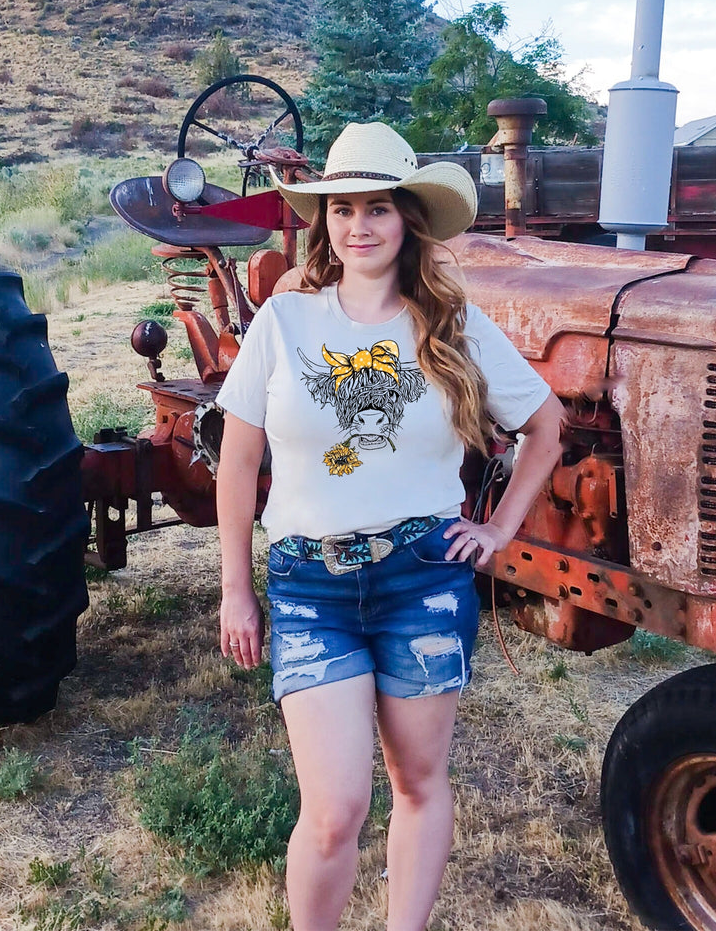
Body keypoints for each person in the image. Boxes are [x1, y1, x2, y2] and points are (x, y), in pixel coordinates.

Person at [215, 121, 565, 931]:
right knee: (335, 808)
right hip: (310, 583)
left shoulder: (451, 326)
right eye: (342, 210)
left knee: (418, 783)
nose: (358, 226)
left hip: (423, 577)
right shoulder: (285, 323)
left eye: (377, 208)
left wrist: (501, 530)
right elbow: (237, 467)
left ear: (407, 219)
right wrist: (238, 589)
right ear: (324, 223)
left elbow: (544, 429)